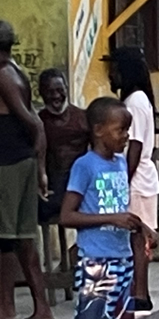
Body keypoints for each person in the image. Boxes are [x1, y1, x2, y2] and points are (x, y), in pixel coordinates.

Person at [60, 97, 153, 319]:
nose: (126, 136)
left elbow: (119, 207)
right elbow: (68, 215)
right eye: (120, 130)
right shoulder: (85, 166)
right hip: (97, 262)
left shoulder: (117, 164)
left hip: (122, 260)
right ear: (98, 130)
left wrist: (141, 227)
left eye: (127, 129)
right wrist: (111, 218)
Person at [0, 20, 56, 319]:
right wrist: (41, 168)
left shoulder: (4, 75)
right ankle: (41, 310)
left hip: (8, 163)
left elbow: (33, 122)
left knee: (5, 240)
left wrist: (41, 167)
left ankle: (5, 310)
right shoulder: (16, 71)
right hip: (21, 162)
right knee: (21, 241)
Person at [109, 47, 158, 313]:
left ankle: (140, 293)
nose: (110, 74)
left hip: (137, 178)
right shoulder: (135, 100)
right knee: (136, 237)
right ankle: (137, 290)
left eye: (114, 68)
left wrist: (122, 183)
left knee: (138, 238)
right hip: (139, 176)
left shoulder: (135, 102)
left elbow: (135, 147)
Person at [38, 68, 90, 225]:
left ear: (67, 90)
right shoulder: (38, 123)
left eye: (60, 90)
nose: (55, 96)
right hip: (52, 190)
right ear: (41, 93)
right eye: (50, 91)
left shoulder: (83, 118)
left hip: (82, 188)